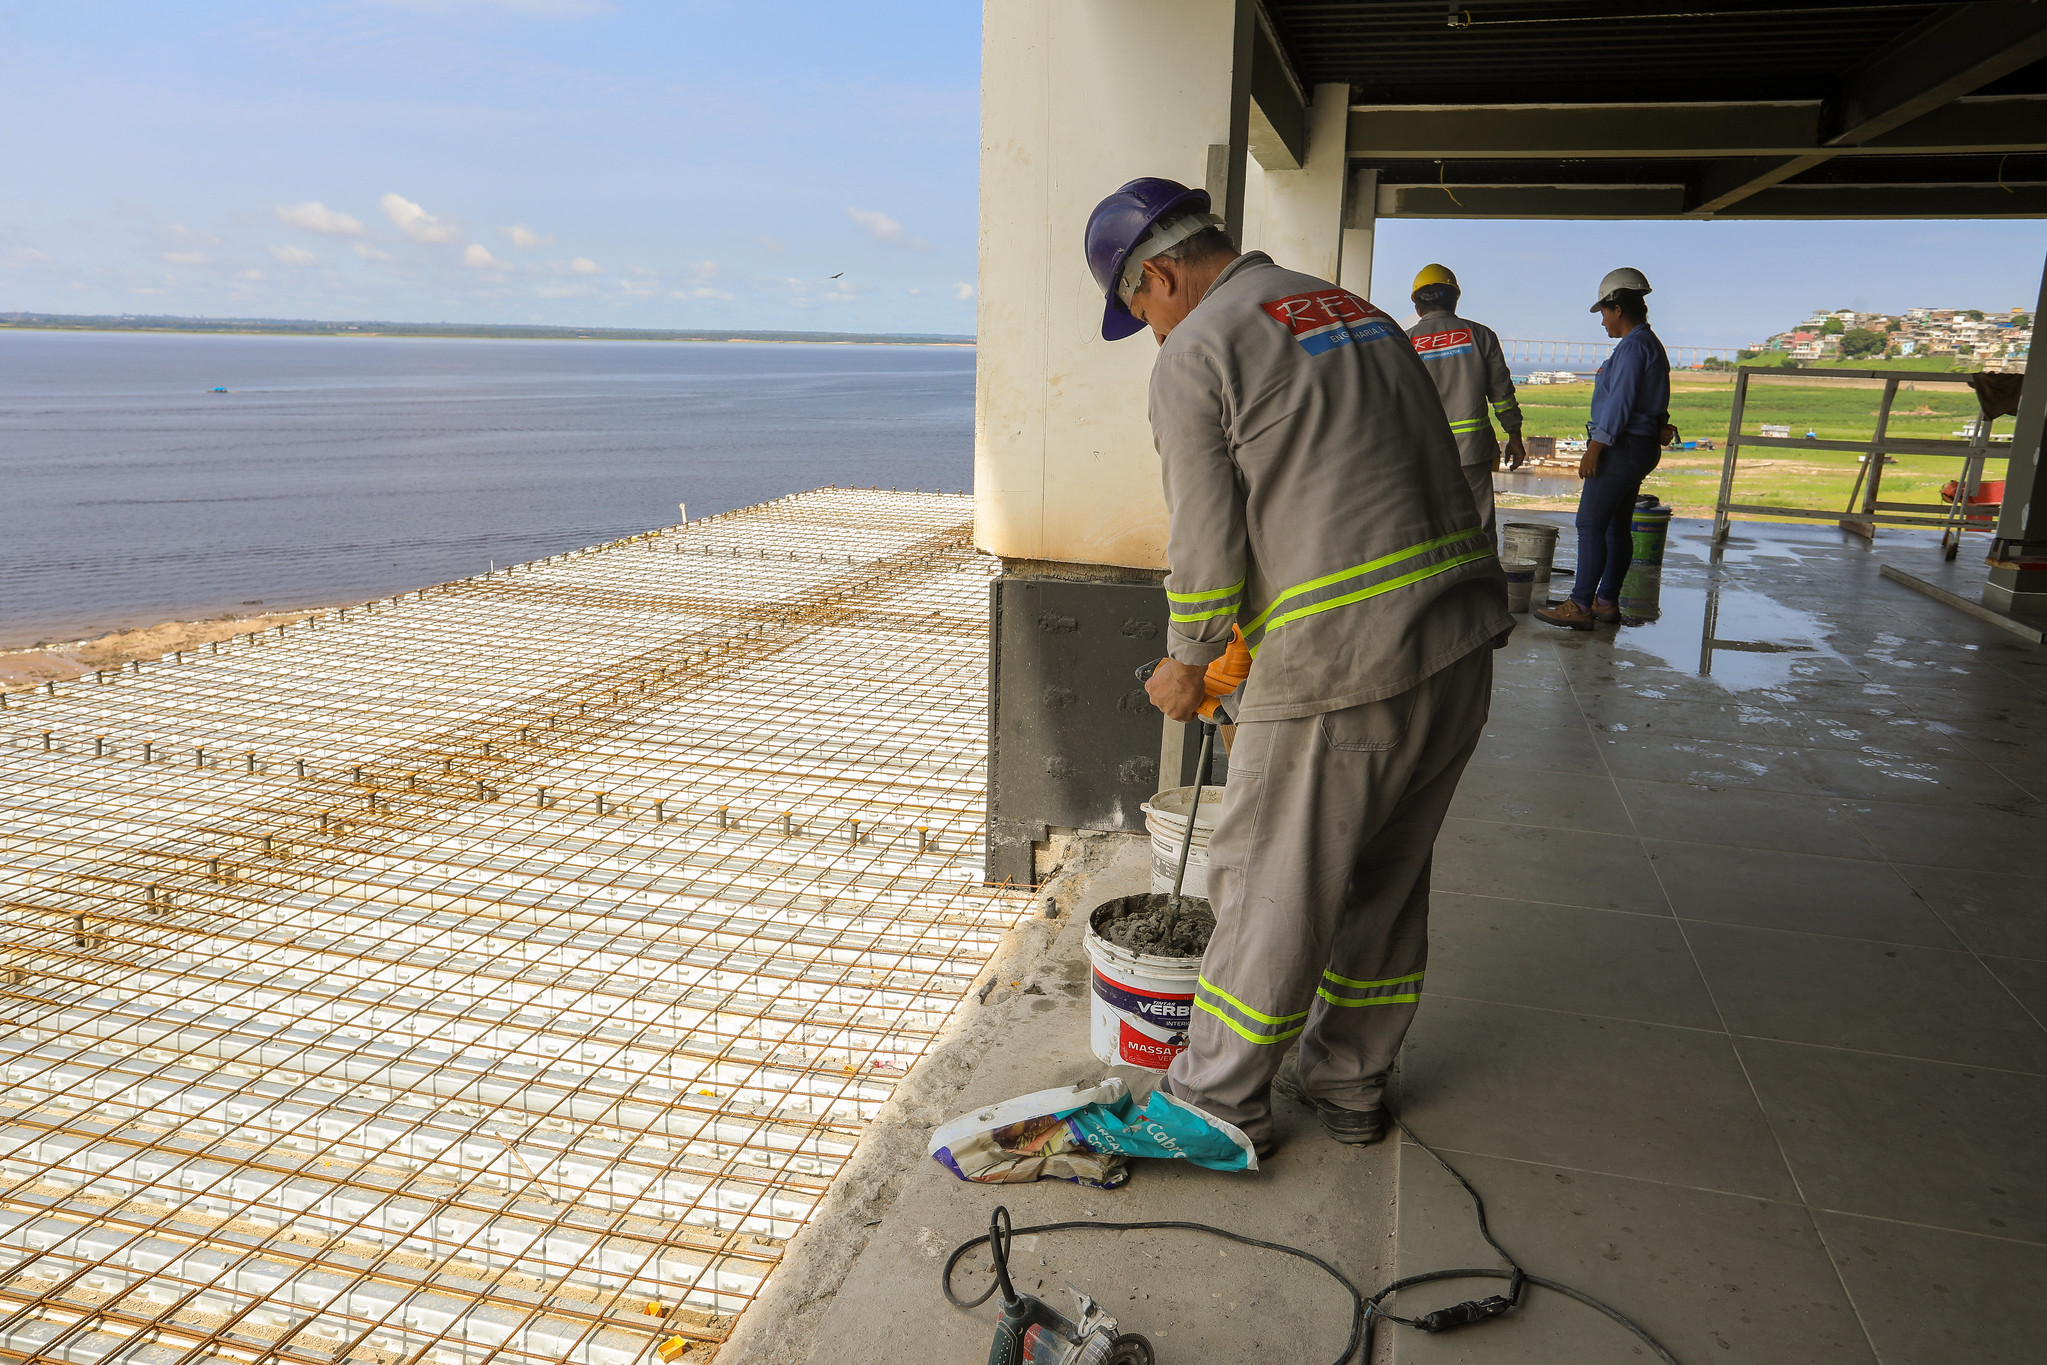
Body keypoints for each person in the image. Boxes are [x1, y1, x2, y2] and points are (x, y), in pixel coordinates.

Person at [1082, 178, 1512, 1155]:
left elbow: (1203, 540)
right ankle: (1351, 1083)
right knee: (1387, 879)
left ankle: (1214, 1109)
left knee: (1266, 885)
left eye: (1138, 308)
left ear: (1159, 275)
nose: (1148, 330)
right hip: (1457, 640)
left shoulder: (1198, 347)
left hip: (1342, 662)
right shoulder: (1351, 311)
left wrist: (1188, 663)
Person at [1534, 268, 1677, 630]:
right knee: (1615, 526)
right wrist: (1659, 424)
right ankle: (1605, 601)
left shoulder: (1633, 347)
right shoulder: (1649, 344)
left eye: (1602, 313)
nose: (1602, 322)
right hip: (1638, 446)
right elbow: (1652, 398)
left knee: (1590, 522)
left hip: (1621, 447)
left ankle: (1580, 605)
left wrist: (1595, 449)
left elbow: (1620, 404)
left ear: (1617, 308)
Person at [1404, 264, 1525, 542]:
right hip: (1473, 450)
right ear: (1454, 298)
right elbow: (1503, 396)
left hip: (1424, 453)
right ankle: (1483, 584)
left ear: (1417, 304)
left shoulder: (1406, 341)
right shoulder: (1481, 336)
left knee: (1431, 528)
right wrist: (1514, 436)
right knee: (1479, 525)